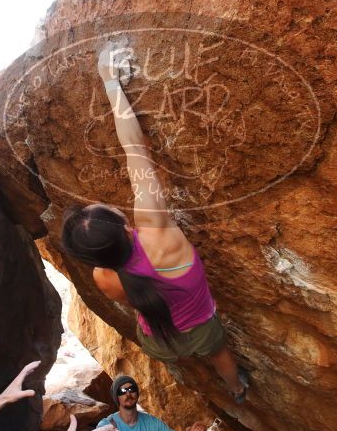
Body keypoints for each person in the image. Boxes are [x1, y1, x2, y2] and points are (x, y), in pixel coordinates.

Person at [61, 46, 249, 403]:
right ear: (117, 222)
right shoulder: (155, 227)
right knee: (218, 351)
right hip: (200, 324)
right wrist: (110, 82)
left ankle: (191, 371)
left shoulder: (104, 276)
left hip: (159, 335)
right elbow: (134, 147)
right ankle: (236, 388)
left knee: (187, 351)